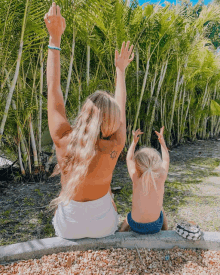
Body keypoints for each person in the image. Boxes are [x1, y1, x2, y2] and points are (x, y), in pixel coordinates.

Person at [44, 2, 134, 239]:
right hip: (103, 227)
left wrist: (55, 40)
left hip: (68, 228)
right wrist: (121, 71)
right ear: (113, 120)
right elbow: (121, 106)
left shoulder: (63, 139)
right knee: (110, 200)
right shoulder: (116, 143)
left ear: (84, 112)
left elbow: (53, 91)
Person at [119, 126, 169, 233]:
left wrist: (133, 143)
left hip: (135, 225)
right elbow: (166, 159)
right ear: (157, 163)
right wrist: (162, 143)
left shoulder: (135, 177)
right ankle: (166, 230)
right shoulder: (161, 177)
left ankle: (121, 231)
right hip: (155, 226)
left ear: (137, 165)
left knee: (129, 216)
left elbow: (129, 158)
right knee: (161, 209)